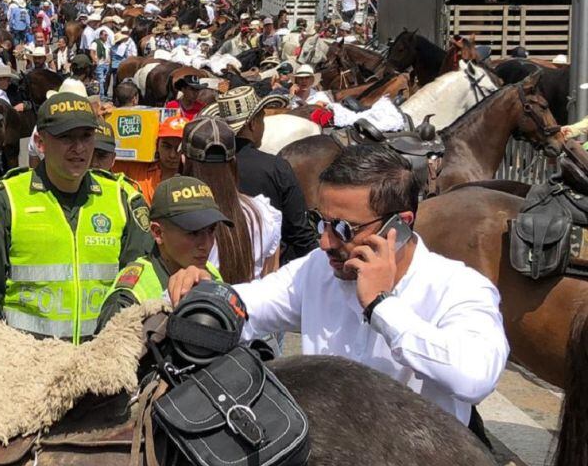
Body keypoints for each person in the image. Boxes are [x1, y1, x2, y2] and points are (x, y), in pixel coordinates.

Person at [168, 145, 509, 427]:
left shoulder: (460, 288)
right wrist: (208, 294)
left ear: (400, 225)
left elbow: (476, 377)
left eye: (346, 228)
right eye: (321, 222)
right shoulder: (319, 269)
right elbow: (251, 305)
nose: (326, 242)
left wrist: (382, 307)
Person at [0, 91, 154, 342]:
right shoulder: (9, 199)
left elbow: (143, 284)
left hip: (103, 362)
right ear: (40, 141)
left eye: (86, 136)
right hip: (26, 365)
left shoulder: (123, 199)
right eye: (65, 137)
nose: (79, 148)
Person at [96, 176, 228, 331]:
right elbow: (108, 351)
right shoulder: (131, 294)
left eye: (211, 230)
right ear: (158, 233)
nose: (205, 244)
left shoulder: (210, 273)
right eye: (193, 233)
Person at [224, 86, 318, 264]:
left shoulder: (210, 166)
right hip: (269, 266)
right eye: (262, 119)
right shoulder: (276, 167)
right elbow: (299, 232)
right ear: (253, 124)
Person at [180, 116, 281, 282]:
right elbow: (270, 282)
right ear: (233, 163)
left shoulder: (175, 220)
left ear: (184, 162)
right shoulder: (265, 214)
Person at [112, 114, 185, 205]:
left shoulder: (196, 177)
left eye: (179, 149)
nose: (172, 155)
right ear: (157, 144)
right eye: (166, 147)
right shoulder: (135, 167)